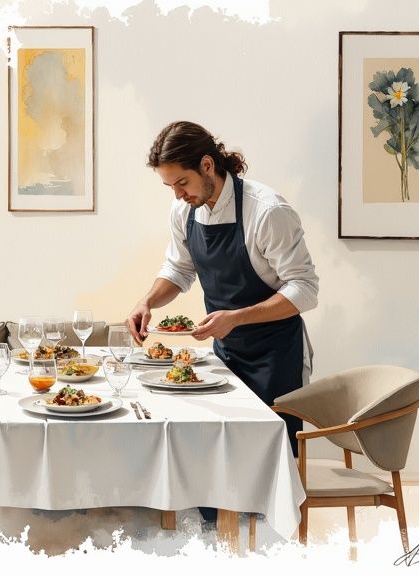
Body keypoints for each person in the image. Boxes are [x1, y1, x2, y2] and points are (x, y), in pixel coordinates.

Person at [125, 121, 318, 522]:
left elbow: (305, 289)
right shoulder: (185, 211)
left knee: (264, 479)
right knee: (216, 464)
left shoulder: (268, 211)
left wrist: (238, 318)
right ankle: (220, 549)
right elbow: (178, 271)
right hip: (224, 355)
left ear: (208, 165)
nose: (178, 194)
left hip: (275, 357)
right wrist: (147, 301)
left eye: (182, 183)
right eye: (170, 187)